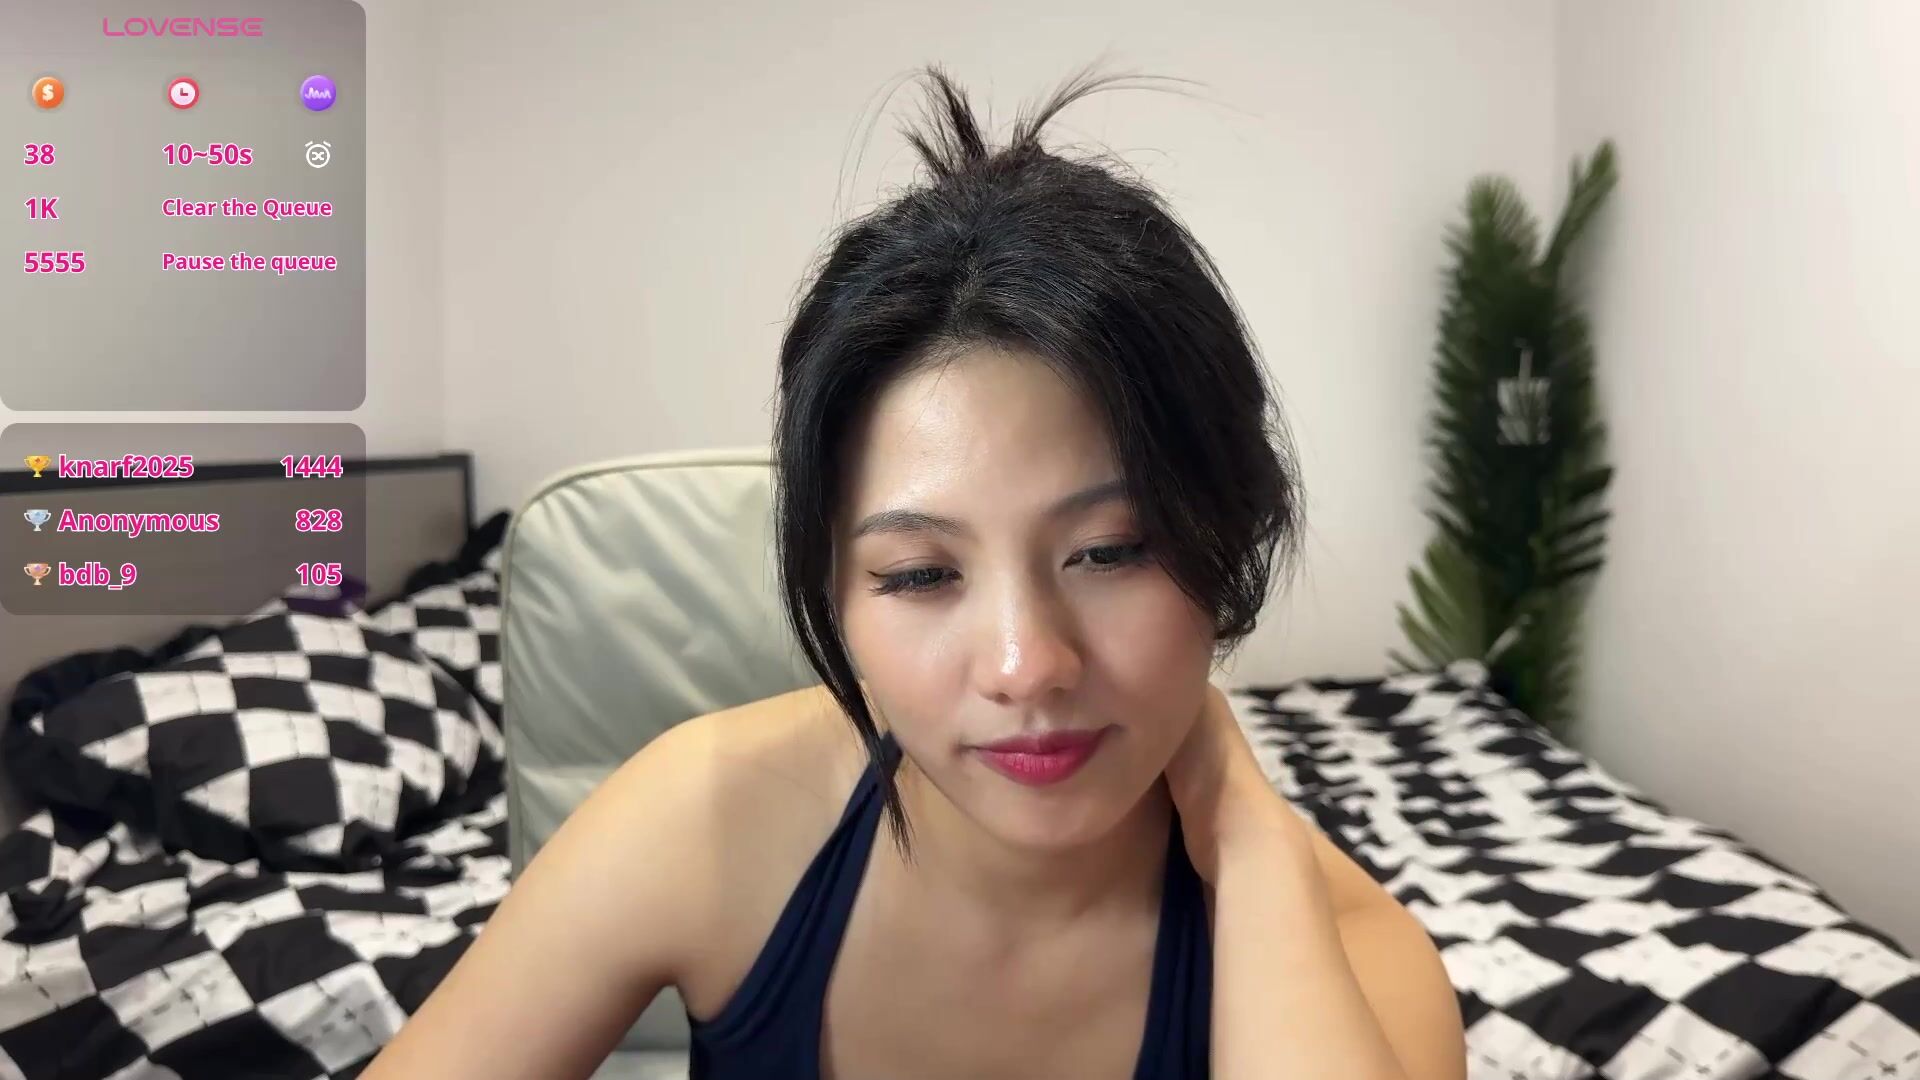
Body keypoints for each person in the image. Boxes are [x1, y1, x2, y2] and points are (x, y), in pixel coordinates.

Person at [364, 64, 1465, 1080]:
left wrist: (1251, 840)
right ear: (833, 592)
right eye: (922, 575)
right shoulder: (700, 819)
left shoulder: (1358, 967)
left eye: (1110, 551)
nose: (1026, 666)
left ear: (1226, 532)